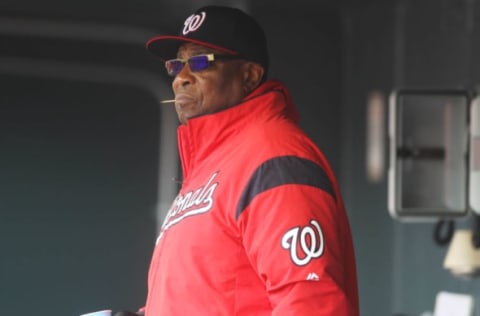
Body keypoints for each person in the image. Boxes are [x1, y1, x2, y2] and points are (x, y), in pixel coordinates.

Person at [142, 5, 359, 315]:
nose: (181, 79)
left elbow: (311, 302)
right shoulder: (213, 165)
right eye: (176, 65)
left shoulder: (275, 158)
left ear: (249, 76)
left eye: (201, 62)